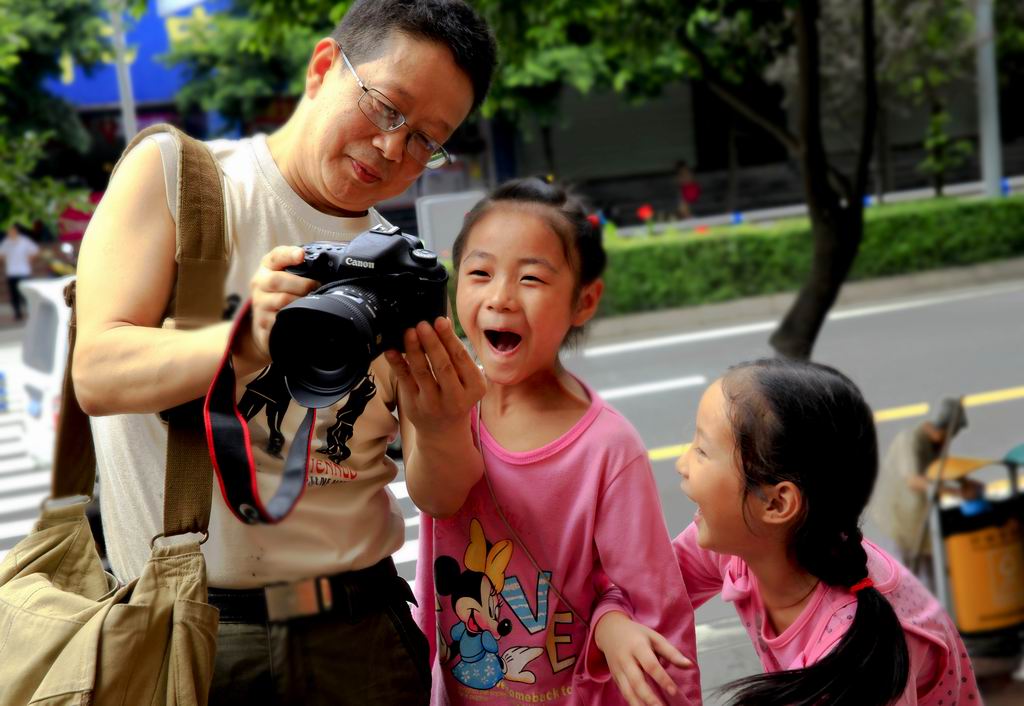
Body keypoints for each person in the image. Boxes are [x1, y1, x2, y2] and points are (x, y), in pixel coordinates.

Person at [72, 2, 497, 704]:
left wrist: (447, 423)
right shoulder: (184, 182)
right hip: (190, 633)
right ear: (324, 67)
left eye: (428, 139)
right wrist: (244, 339)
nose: (395, 150)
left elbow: (437, 492)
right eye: (388, 108)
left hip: (359, 635)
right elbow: (98, 372)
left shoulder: (399, 269)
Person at [409, 178, 702, 706]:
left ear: (584, 301)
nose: (500, 296)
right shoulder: (443, 407)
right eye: (479, 273)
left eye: (531, 279)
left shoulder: (608, 448)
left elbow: (656, 611)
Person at [607, 359, 980, 705]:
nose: (681, 465)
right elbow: (647, 588)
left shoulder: (855, 660)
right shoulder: (739, 548)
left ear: (776, 504)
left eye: (702, 451)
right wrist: (613, 624)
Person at [868, 397, 976, 587]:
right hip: (899, 519)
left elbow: (941, 466)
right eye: (948, 436)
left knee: (927, 577)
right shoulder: (910, 441)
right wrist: (957, 492)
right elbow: (914, 481)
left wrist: (965, 481)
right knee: (902, 577)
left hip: (920, 520)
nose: (948, 441)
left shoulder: (935, 444)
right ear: (937, 429)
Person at [0, 224, 39, 321]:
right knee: (14, 295)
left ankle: (30, 312)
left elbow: (35, 251)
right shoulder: (6, 243)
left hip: (23, 271)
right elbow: (1, 255)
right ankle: (18, 313)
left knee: (25, 293)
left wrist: (30, 259)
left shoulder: (24, 241)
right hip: (11, 272)